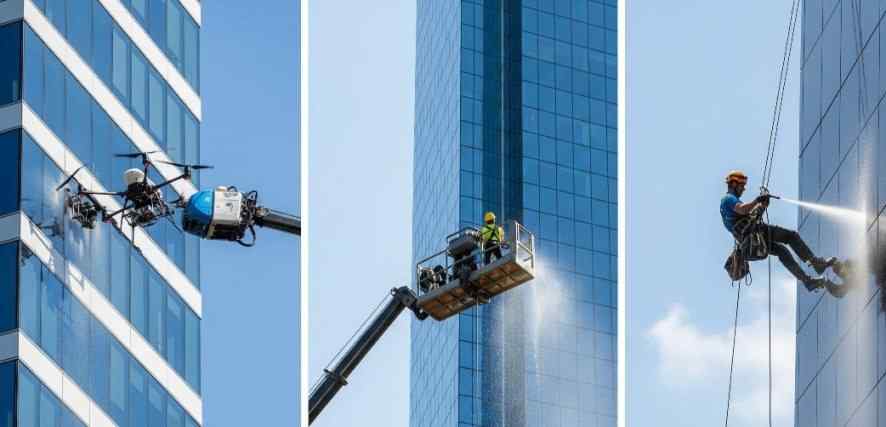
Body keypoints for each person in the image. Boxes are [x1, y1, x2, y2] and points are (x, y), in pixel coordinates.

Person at [721, 170, 840, 294]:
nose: (743, 189)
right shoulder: (728, 199)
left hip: (753, 239)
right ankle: (816, 264)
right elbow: (743, 210)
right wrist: (757, 200)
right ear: (733, 184)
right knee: (791, 237)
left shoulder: (729, 204)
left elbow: (748, 216)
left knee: (782, 251)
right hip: (755, 234)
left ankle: (808, 281)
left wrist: (762, 205)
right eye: (741, 186)